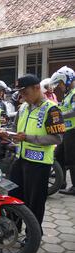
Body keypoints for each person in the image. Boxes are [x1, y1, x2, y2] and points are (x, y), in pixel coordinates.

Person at [0, 74, 65, 234]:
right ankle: (12, 229)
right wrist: (6, 134)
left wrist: (28, 138)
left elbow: (57, 138)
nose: (22, 97)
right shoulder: (23, 108)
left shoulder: (52, 109)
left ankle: (32, 234)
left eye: (25, 92)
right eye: (20, 93)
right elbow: (16, 131)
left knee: (35, 201)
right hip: (21, 160)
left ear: (36, 88)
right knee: (14, 195)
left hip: (40, 163)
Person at [50, 66, 75, 195]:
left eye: (60, 83)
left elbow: (73, 111)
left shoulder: (74, 93)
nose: (59, 86)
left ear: (67, 80)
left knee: (71, 159)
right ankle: (61, 182)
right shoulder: (68, 95)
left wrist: (59, 114)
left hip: (73, 131)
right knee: (59, 156)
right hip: (66, 130)